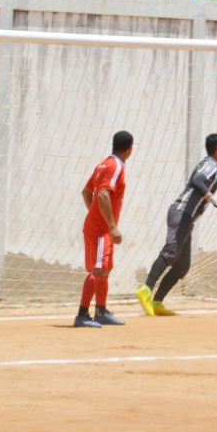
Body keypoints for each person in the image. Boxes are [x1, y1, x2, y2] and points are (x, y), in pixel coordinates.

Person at [135, 133, 217, 316]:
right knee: (170, 252)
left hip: (188, 218)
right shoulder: (209, 165)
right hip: (181, 213)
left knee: (182, 266)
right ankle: (146, 290)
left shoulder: (214, 164)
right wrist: (216, 202)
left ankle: (157, 302)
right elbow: (197, 181)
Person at [75, 131, 134, 328]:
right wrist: (111, 225)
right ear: (129, 149)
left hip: (99, 226)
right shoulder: (116, 166)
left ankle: (100, 312)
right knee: (98, 269)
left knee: (106, 268)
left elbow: (86, 192)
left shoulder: (103, 164)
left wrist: (95, 214)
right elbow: (101, 195)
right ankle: (82, 315)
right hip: (101, 229)